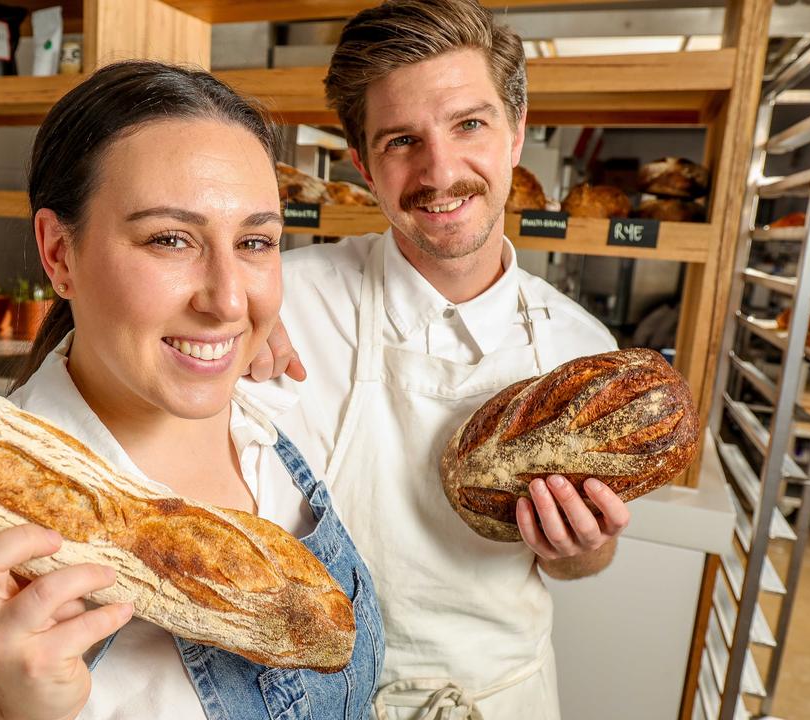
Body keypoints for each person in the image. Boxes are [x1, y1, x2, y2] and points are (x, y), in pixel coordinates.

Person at [0, 61, 383, 720]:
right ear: (59, 255)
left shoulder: (278, 417)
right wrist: (12, 710)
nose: (226, 300)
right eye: (169, 239)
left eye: (254, 241)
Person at [247, 1, 632, 717]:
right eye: (401, 141)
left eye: (469, 125)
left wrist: (582, 547)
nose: (439, 170)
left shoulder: (582, 352)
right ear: (362, 164)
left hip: (499, 698)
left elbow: (587, 562)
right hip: (312, 699)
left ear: (515, 134)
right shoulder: (281, 304)